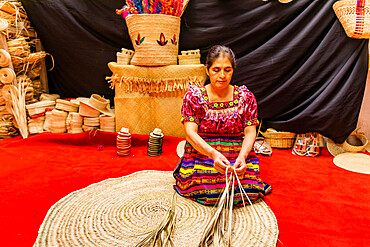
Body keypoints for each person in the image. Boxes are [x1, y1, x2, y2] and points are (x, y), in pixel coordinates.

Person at [174, 45, 272, 206]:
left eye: (227, 70)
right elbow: (190, 134)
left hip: (235, 151)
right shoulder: (195, 97)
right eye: (216, 70)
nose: (222, 75)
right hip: (203, 152)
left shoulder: (245, 98)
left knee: (247, 190)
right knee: (210, 191)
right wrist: (213, 155)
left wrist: (242, 157)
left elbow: (250, 132)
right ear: (207, 70)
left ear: (233, 70)